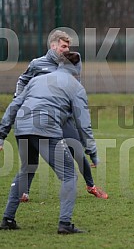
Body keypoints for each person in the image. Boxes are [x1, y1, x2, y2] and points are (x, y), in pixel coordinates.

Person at [0, 52, 95, 233]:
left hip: (21, 128)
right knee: (69, 175)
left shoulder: (37, 80)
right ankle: (65, 224)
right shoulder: (75, 86)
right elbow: (83, 123)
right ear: (77, 68)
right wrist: (92, 150)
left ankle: (7, 218)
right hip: (45, 129)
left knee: (27, 168)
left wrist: (2, 133)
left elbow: (14, 105)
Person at [15, 30, 107, 201]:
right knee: (30, 158)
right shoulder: (37, 64)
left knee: (77, 149)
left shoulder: (68, 65)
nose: (66, 49)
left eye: (68, 46)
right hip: (39, 117)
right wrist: (18, 100)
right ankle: (23, 192)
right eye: (64, 46)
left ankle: (91, 185)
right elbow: (22, 81)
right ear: (53, 45)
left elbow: (75, 89)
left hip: (62, 118)